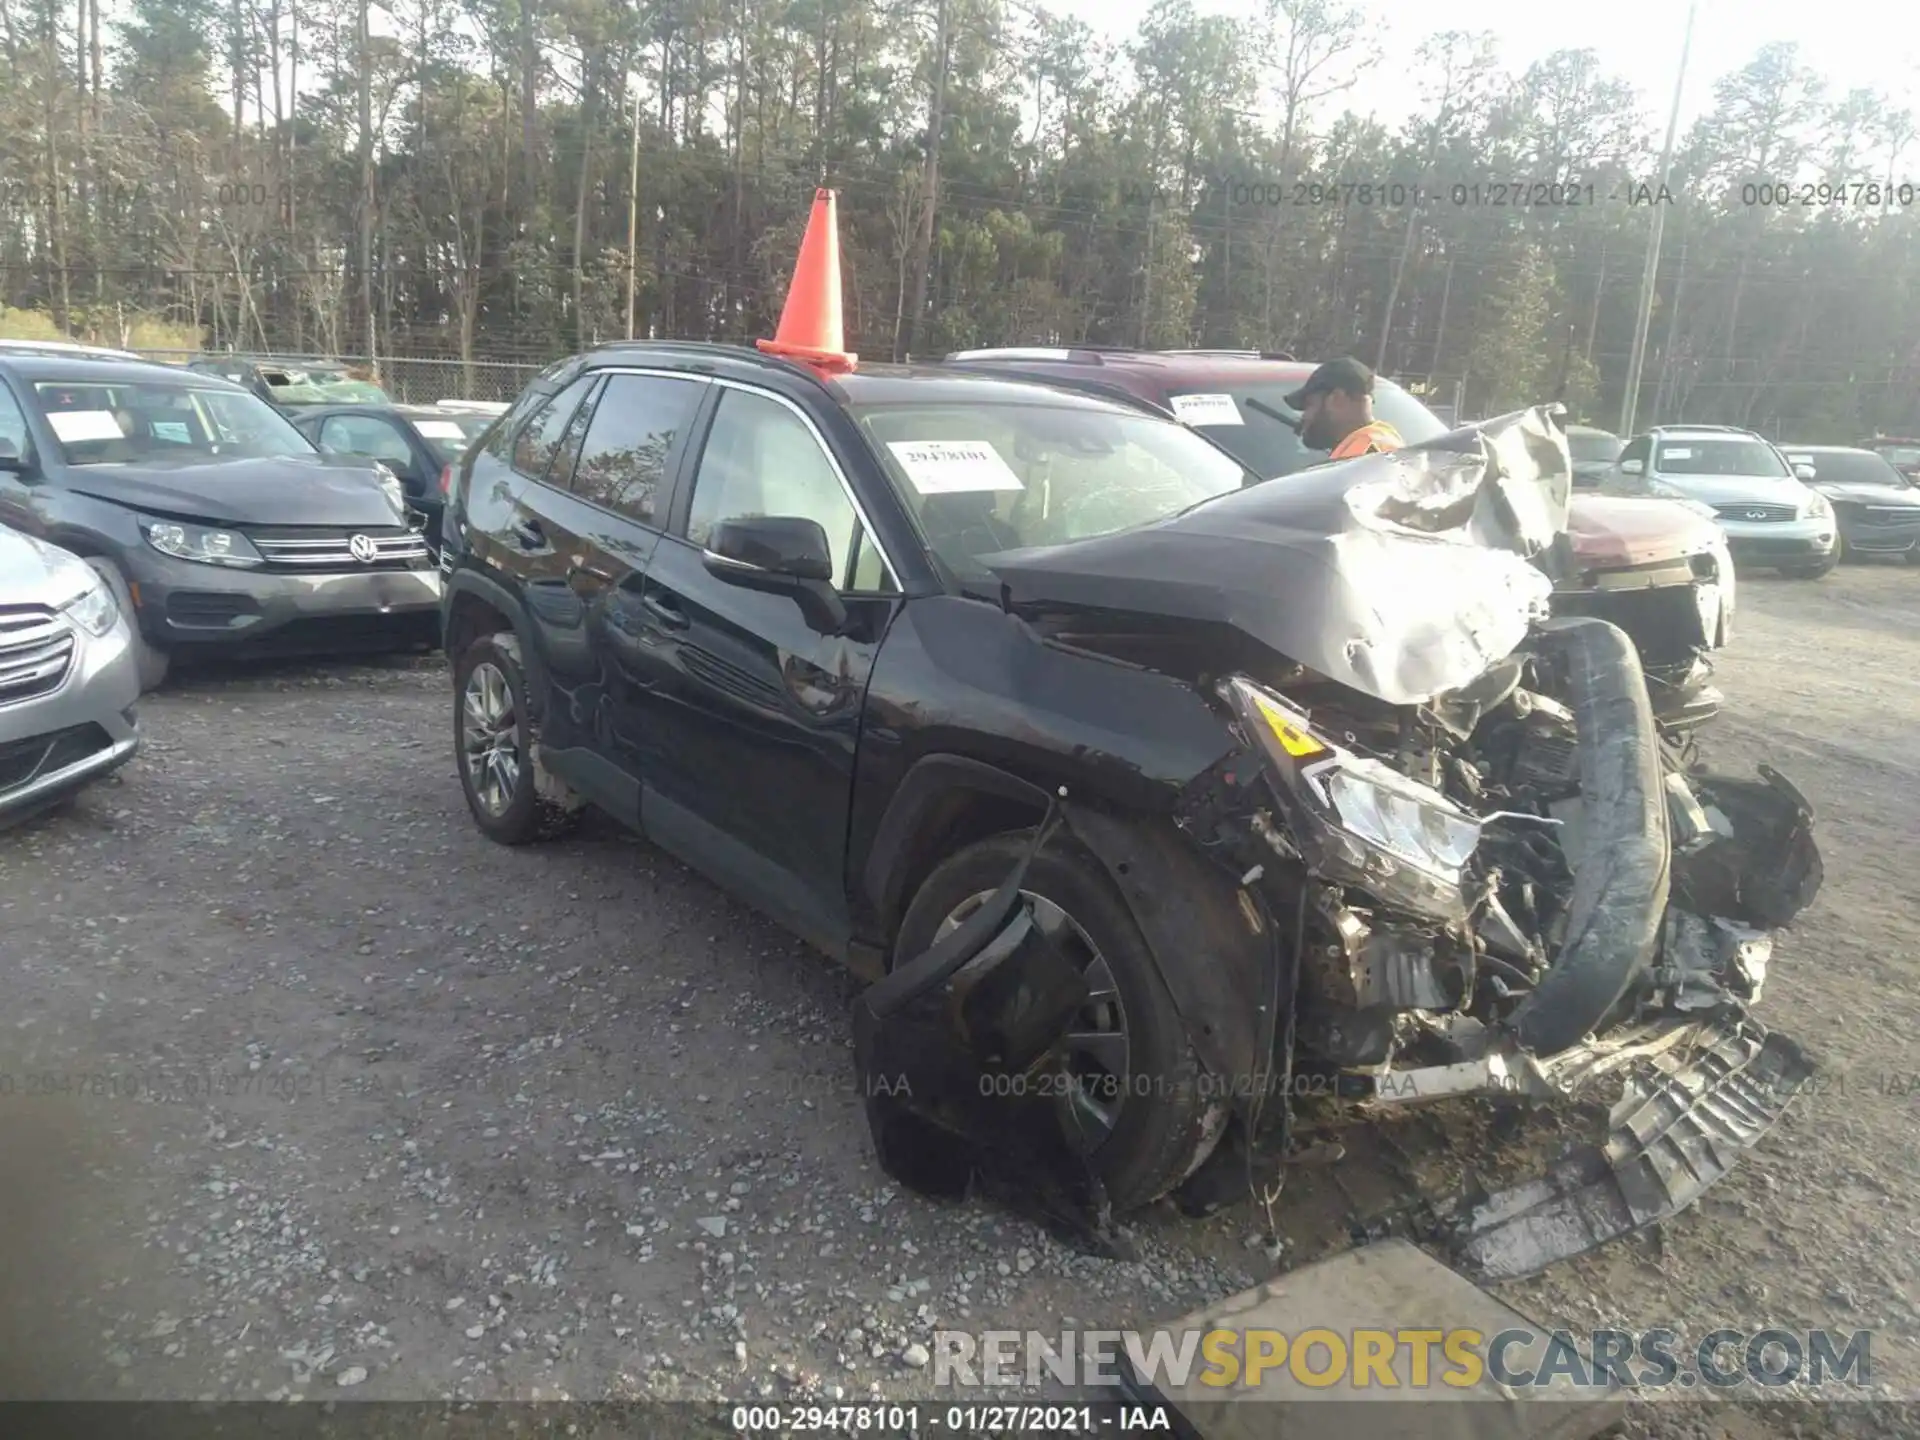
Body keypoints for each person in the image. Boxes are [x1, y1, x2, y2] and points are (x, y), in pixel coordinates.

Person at [1285, 357, 1403, 459]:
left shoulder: (1364, 457)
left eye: (1310, 405)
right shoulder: (1383, 443)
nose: (1305, 416)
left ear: (1337, 399)